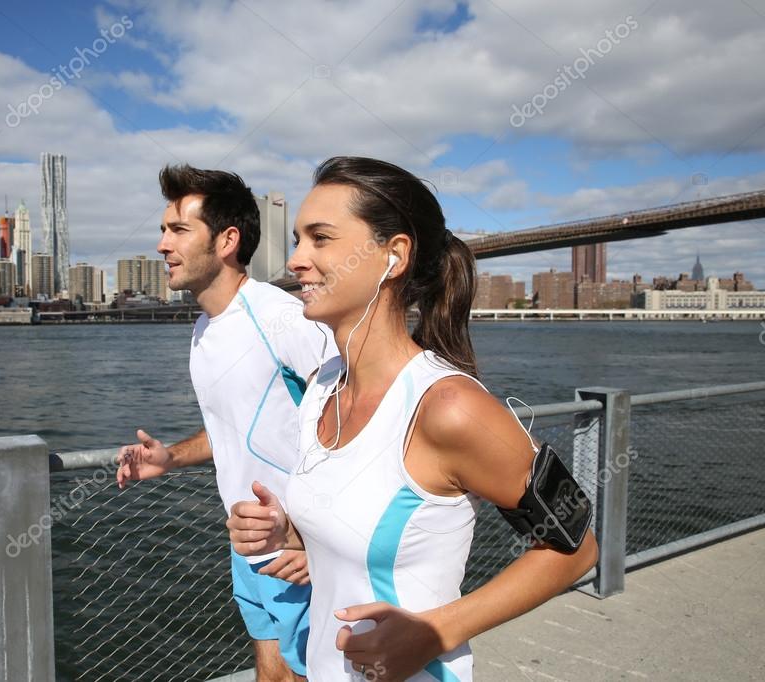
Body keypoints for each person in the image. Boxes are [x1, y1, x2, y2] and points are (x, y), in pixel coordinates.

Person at [227, 157, 599, 681]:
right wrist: (288, 531)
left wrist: (436, 632)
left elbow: (577, 546)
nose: (296, 261)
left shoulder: (448, 407)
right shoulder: (321, 387)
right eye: (297, 239)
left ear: (394, 256)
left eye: (320, 238)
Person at [117, 164, 337, 681]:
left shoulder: (282, 316)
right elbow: (231, 433)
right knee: (270, 670)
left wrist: (315, 538)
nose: (161, 245)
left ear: (226, 241)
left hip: (297, 544)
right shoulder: (202, 329)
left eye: (177, 230)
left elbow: (355, 420)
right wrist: (171, 457)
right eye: (163, 229)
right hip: (247, 541)